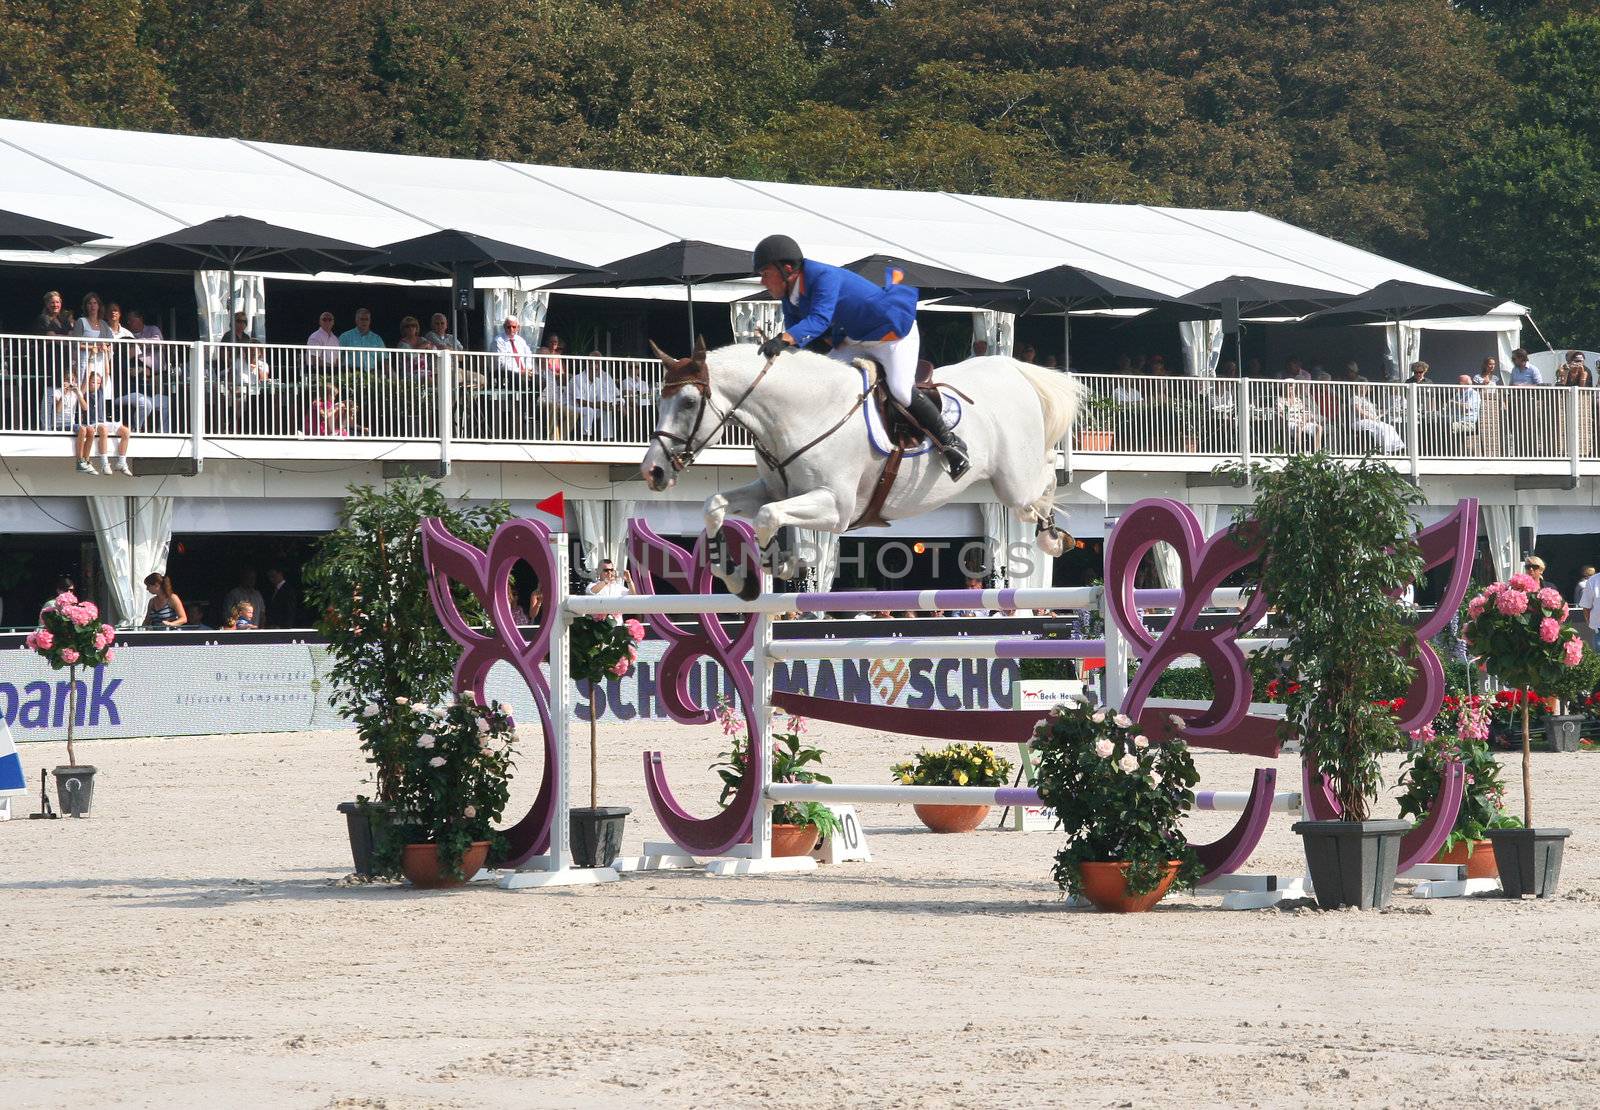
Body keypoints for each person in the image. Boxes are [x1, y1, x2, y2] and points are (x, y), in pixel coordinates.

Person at [751, 234, 969, 478]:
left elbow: (818, 320)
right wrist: (783, 359)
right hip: (855, 339)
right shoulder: (790, 298)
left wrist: (782, 340)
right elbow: (799, 337)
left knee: (900, 390)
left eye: (765, 273)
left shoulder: (823, 277)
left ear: (787, 269)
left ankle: (951, 444)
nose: (762, 281)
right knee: (826, 378)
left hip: (892, 336)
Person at [122, 309, 172, 432]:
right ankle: (140, 428)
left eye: (132, 320)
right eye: (128, 321)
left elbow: (159, 343)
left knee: (160, 403)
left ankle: (162, 431)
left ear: (140, 319)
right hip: (137, 376)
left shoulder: (152, 329)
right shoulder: (128, 334)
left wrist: (137, 344)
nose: (130, 323)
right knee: (143, 403)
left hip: (157, 375)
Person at [585, 558, 632, 623]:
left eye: (611, 570)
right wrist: (606, 581)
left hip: (617, 626)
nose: (609, 572)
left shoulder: (618, 587)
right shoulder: (592, 585)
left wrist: (629, 581)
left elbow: (633, 596)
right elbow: (591, 592)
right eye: (606, 570)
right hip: (598, 627)